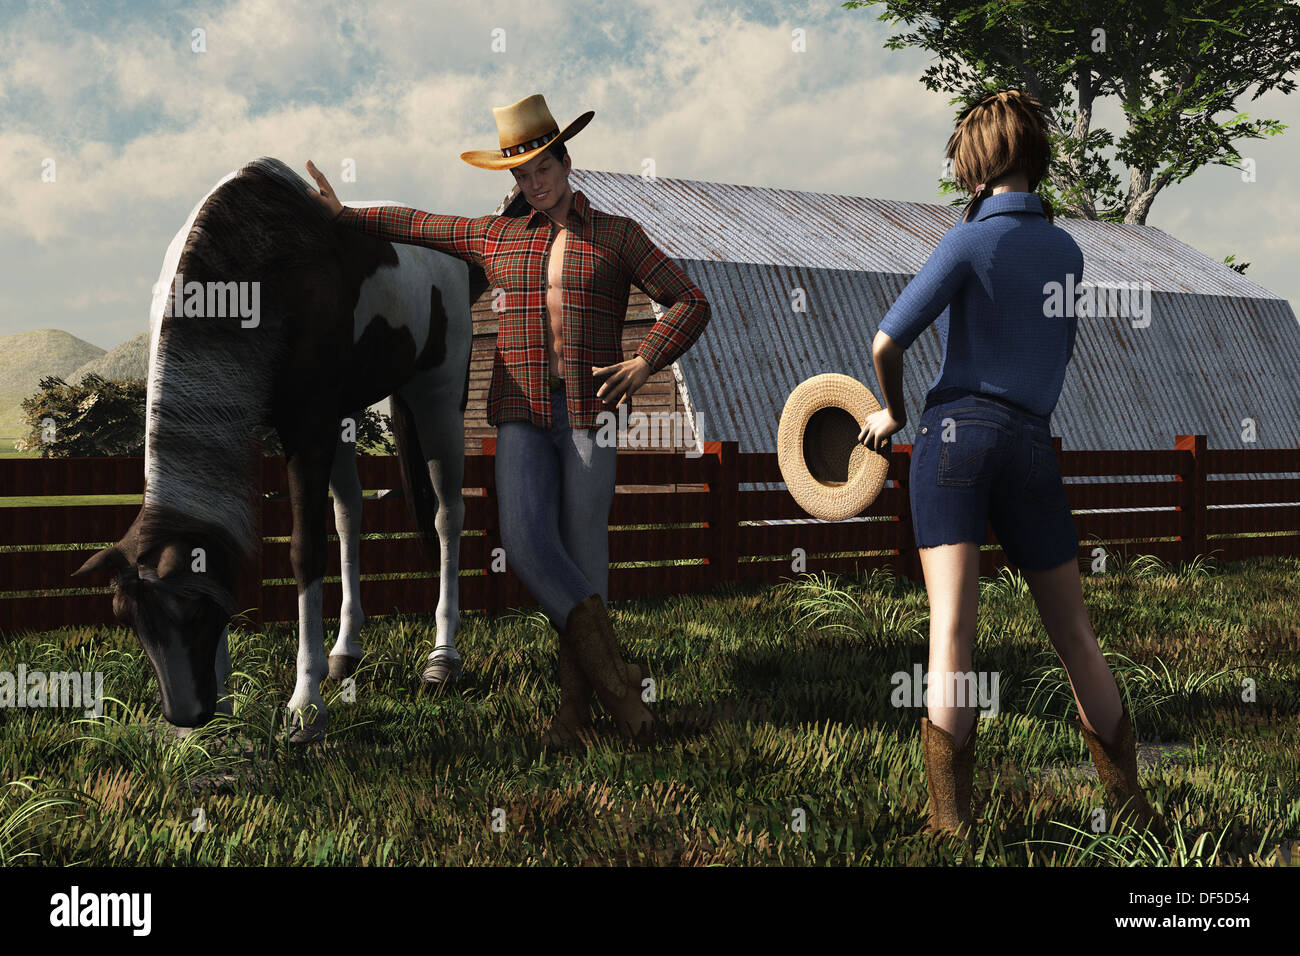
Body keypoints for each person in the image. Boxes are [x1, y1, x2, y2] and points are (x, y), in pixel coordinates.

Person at [306, 93, 711, 745]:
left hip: (593, 416)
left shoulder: (619, 236)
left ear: (564, 159)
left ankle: (573, 716)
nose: (532, 182)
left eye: (541, 168)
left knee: (583, 559)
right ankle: (622, 692)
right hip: (520, 414)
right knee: (525, 545)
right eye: (520, 174)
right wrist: (344, 214)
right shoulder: (491, 237)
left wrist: (644, 362)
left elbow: (690, 301)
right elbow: (416, 223)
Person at [858, 88, 1169, 848]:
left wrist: (892, 412)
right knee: (1074, 635)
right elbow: (1057, 355)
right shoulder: (1067, 250)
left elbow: (886, 342)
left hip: (957, 436)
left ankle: (951, 821)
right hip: (1032, 442)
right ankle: (1129, 807)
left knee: (953, 630)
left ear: (974, 172)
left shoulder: (968, 242)